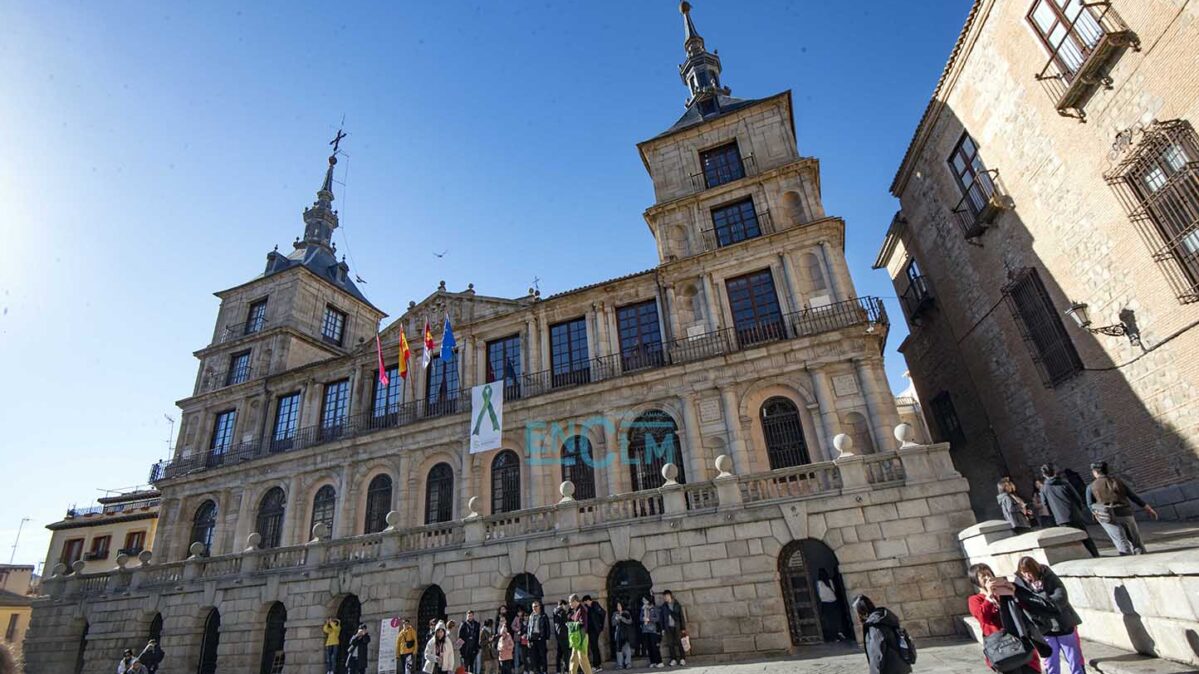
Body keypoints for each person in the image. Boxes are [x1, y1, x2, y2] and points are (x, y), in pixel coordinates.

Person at [967, 563, 1048, 673]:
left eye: (988, 573)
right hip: (1002, 648)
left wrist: (1014, 593)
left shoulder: (1003, 592)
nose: (987, 577)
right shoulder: (975, 599)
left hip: (1021, 640)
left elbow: (1025, 609)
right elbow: (982, 617)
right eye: (982, 576)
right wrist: (989, 596)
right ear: (975, 581)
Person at [1014, 556, 1084, 674]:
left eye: (1029, 572)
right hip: (1043, 628)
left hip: (1063, 624)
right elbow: (1026, 604)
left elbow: (1061, 597)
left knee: (1074, 659)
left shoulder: (1048, 576)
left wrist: (1041, 599)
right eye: (1023, 572)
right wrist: (1044, 603)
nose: (1027, 575)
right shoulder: (1019, 583)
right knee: (1051, 662)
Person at [1086, 461, 1157, 555]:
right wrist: (1147, 508)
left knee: (1120, 541)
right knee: (1136, 541)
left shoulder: (1091, 487)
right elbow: (1132, 496)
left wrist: (1096, 513)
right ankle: (1143, 557)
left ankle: (1128, 559)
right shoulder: (1118, 482)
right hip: (1126, 513)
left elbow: (1090, 504)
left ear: (1095, 472)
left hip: (1108, 517)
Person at [1040, 464, 1099, 557]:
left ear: (1044, 475)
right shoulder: (1064, 483)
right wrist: (1079, 509)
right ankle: (1095, 555)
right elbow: (1077, 498)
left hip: (1060, 518)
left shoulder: (1044, 488)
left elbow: (1045, 503)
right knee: (1085, 536)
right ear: (1054, 472)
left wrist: (1054, 515)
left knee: (1070, 540)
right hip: (1074, 514)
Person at [852, 595, 911, 674]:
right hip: (902, 666)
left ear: (861, 611)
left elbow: (877, 654)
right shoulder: (884, 618)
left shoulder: (875, 626)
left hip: (890, 669)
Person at [816, 569, 847, 641]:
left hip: (825, 602)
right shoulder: (830, 581)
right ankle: (840, 632)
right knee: (836, 618)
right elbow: (834, 590)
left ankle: (834, 636)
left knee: (829, 620)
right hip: (834, 601)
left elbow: (818, 593)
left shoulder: (818, 583)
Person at [566, 594, 593, 674]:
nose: (569, 604)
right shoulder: (575, 610)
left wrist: (571, 624)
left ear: (575, 601)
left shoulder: (582, 610)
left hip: (582, 636)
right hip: (576, 637)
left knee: (582, 658)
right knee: (573, 659)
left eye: (570, 602)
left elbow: (583, 624)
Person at [657, 590, 686, 667]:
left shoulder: (676, 604)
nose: (665, 598)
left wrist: (683, 627)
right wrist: (662, 628)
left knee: (679, 642)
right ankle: (673, 659)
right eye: (664, 597)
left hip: (677, 626)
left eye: (666, 596)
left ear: (670, 596)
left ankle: (682, 658)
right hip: (668, 627)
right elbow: (662, 618)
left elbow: (681, 616)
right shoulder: (664, 606)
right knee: (670, 644)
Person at [527, 600, 550, 674]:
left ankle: (544, 671)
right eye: (533, 607)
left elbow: (547, 627)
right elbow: (529, 628)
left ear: (539, 607)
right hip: (533, 638)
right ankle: (537, 671)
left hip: (541, 637)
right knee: (534, 656)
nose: (534, 608)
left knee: (542, 655)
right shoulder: (531, 616)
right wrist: (528, 639)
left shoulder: (543, 615)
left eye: (536, 606)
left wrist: (547, 638)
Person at [582, 596, 605, 672]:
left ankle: (597, 665)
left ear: (588, 600)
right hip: (590, 630)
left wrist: (600, 626)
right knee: (594, 647)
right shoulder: (587, 607)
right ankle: (598, 664)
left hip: (594, 630)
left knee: (594, 647)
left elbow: (603, 613)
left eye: (585, 602)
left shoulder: (595, 605)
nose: (585, 604)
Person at [639, 596, 662, 669]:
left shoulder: (654, 608)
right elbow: (640, 618)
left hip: (653, 630)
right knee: (649, 647)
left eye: (645, 600)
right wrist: (643, 619)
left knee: (654, 646)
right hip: (645, 630)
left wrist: (649, 619)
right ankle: (652, 662)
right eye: (643, 600)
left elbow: (657, 618)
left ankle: (659, 661)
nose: (643, 601)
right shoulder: (643, 609)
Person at [611, 601, 632, 670]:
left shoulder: (626, 613)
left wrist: (622, 618)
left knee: (627, 648)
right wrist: (617, 619)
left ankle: (628, 663)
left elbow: (629, 621)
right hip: (618, 633)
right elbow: (613, 623)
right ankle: (620, 664)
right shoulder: (615, 613)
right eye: (617, 606)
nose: (618, 607)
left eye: (619, 606)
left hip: (626, 633)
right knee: (618, 649)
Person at [553, 600, 571, 674]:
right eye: (565, 605)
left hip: (558, 635)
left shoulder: (555, 611)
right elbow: (566, 623)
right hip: (564, 635)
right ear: (562, 605)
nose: (566, 607)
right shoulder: (562, 612)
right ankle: (566, 670)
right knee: (566, 653)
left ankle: (558, 670)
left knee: (559, 653)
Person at [511, 609, 525, 674]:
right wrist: (518, 629)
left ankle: (524, 668)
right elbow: (512, 626)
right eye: (519, 612)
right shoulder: (516, 618)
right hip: (517, 638)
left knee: (522, 654)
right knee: (516, 654)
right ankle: (516, 670)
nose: (520, 613)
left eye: (521, 612)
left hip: (524, 639)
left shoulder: (524, 617)